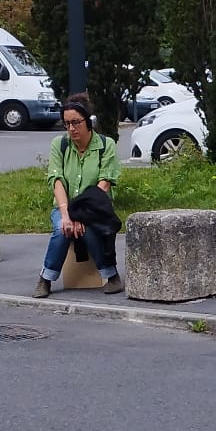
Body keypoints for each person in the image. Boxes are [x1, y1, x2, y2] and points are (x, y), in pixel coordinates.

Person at [34, 95, 123, 297]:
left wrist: (82, 214)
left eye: (76, 122)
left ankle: (111, 275)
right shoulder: (60, 144)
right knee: (62, 228)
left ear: (88, 121)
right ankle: (45, 278)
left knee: (89, 229)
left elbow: (104, 183)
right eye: (67, 124)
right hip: (64, 207)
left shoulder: (106, 145)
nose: (71, 128)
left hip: (95, 208)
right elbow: (56, 180)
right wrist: (68, 215)